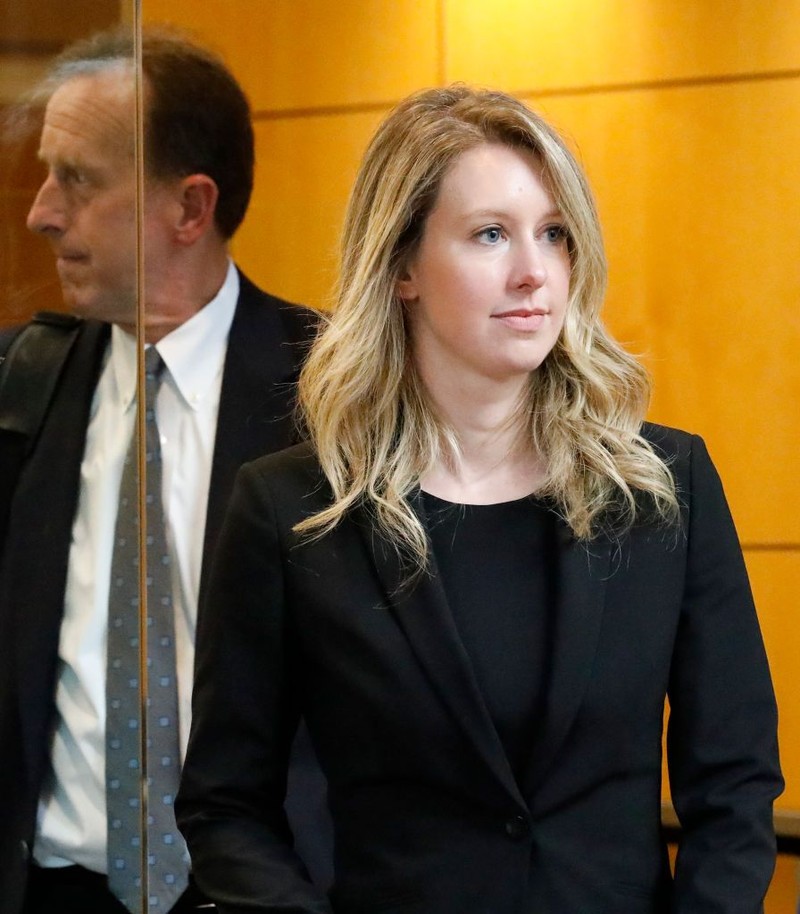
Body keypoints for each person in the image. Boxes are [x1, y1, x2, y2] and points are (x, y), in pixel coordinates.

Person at [176, 85, 783, 913]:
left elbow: (735, 784)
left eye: (555, 233)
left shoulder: (665, 487)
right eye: (490, 234)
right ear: (401, 267)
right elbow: (226, 807)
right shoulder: (289, 510)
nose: (535, 272)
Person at [0, 26, 330, 914]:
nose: (41, 212)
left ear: (190, 207)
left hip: (261, 893)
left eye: (78, 178)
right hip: (52, 890)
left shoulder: (337, 396)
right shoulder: (18, 387)